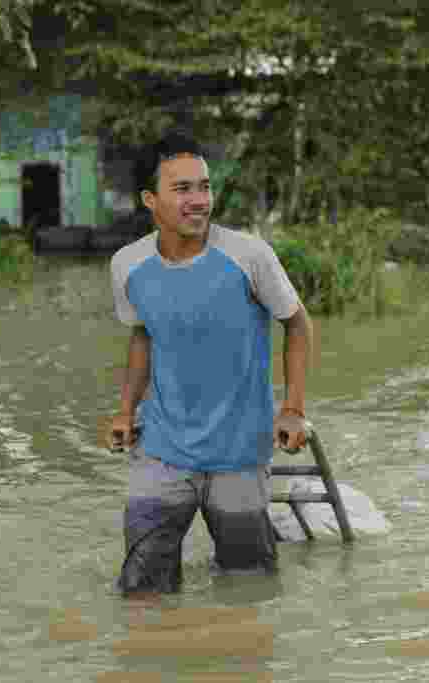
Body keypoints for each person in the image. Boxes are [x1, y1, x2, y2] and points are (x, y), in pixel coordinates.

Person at [105, 129, 312, 596]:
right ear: (150, 200)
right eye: (182, 189)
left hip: (240, 449)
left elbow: (298, 325)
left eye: (204, 186)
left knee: (249, 589)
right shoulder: (127, 266)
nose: (199, 200)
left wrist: (293, 408)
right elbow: (142, 335)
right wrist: (124, 410)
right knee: (142, 590)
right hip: (161, 446)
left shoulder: (248, 255)